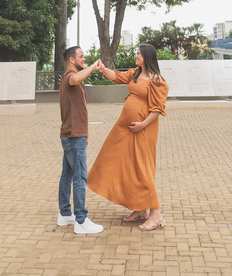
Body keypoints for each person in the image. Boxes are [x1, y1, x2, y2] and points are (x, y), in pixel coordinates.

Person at [87, 44, 169, 231]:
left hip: (143, 130)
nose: (136, 55)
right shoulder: (135, 73)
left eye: (139, 53)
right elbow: (117, 76)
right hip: (124, 129)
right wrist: (103, 69)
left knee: (142, 168)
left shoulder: (157, 81)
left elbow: (157, 109)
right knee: (122, 162)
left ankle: (156, 214)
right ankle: (140, 209)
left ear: (147, 56)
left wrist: (141, 125)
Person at [58, 45, 104, 235]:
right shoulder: (69, 76)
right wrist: (93, 67)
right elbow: (76, 78)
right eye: (81, 57)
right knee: (79, 177)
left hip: (73, 135)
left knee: (67, 175)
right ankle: (81, 220)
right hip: (73, 136)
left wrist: (85, 134)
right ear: (72, 59)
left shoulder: (69, 77)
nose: (84, 59)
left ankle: (64, 214)